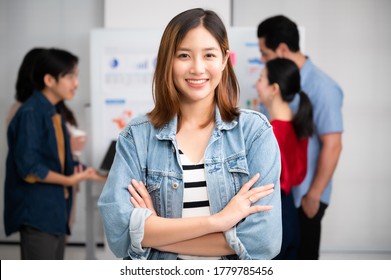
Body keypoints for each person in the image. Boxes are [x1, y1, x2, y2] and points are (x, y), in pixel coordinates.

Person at [98, 8, 282, 260]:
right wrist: (218, 222)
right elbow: (120, 232)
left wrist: (155, 232)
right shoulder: (137, 136)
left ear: (224, 60)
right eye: (184, 55)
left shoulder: (254, 133)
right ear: (167, 60)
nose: (197, 68)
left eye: (209, 55)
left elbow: (263, 241)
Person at [257, 15, 343, 259]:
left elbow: (333, 145)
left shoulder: (322, 88)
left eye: (265, 53)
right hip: (282, 198)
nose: (262, 59)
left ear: (282, 49)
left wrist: (314, 195)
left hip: (306, 196)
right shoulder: (276, 88)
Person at [4, 48, 103, 260]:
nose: (76, 83)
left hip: (56, 211)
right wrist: (68, 180)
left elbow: (65, 163)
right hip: (38, 213)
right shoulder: (30, 113)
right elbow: (30, 169)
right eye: (70, 76)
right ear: (49, 79)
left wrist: (104, 175)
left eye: (76, 76)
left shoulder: (53, 111)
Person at [256, 58, 314, 259]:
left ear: (274, 89)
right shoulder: (298, 125)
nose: (256, 84)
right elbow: (297, 177)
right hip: (289, 213)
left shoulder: (271, 132)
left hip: (271, 214)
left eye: (261, 78)